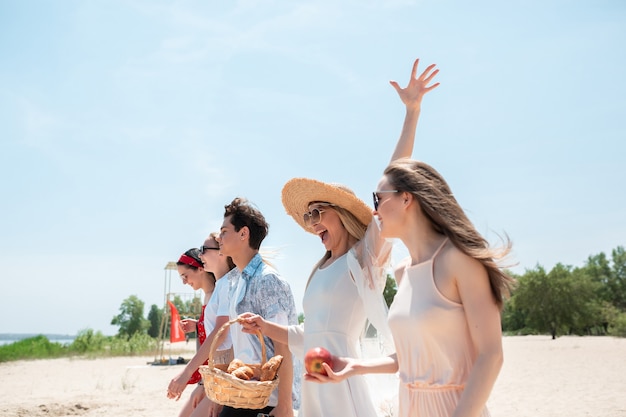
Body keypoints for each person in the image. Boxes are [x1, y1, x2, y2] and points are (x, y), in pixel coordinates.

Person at [239, 59, 440, 417]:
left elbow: (394, 183)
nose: (313, 224)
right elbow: (308, 336)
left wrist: (412, 112)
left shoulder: (361, 261)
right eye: (308, 217)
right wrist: (265, 326)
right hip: (317, 386)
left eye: (319, 213)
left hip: (345, 388)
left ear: (342, 214)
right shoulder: (320, 269)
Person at [313, 127, 516, 415]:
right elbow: (410, 358)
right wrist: (355, 367)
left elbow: (491, 355)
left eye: (378, 199)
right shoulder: (402, 272)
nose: (375, 211)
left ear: (406, 199)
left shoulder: (460, 261)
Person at [216, 197, 301, 417]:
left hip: (265, 400)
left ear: (243, 234)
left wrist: (284, 405)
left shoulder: (268, 281)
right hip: (241, 391)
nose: (219, 237)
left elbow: (283, 345)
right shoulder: (238, 281)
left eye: (224, 231)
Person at [166, 237, 236, 417]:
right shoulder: (213, 294)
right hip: (212, 375)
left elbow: (222, 334)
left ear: (199, 268)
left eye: (185, 276)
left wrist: (193, 377)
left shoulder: (221, 290)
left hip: (222, 374)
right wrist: (198, 326)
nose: (184, 282)